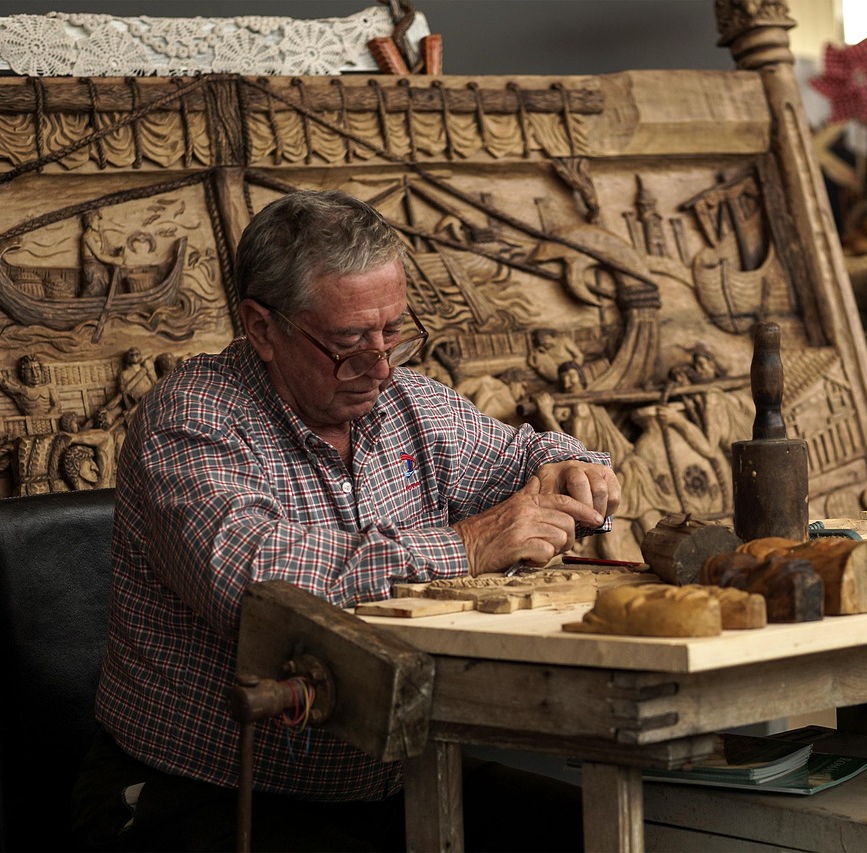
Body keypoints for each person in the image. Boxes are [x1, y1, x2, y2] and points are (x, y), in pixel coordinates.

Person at [72, 189, 621, 851]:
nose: (383, 365)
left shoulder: (407, 403)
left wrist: (570, 467)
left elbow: (522, 454)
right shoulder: (191, 420)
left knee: (594, 833)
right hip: (201, 790)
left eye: (394, 331)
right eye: (350, 342)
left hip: (390, 780)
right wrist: (469, 544)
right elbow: (264, 590)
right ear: (261, 327)